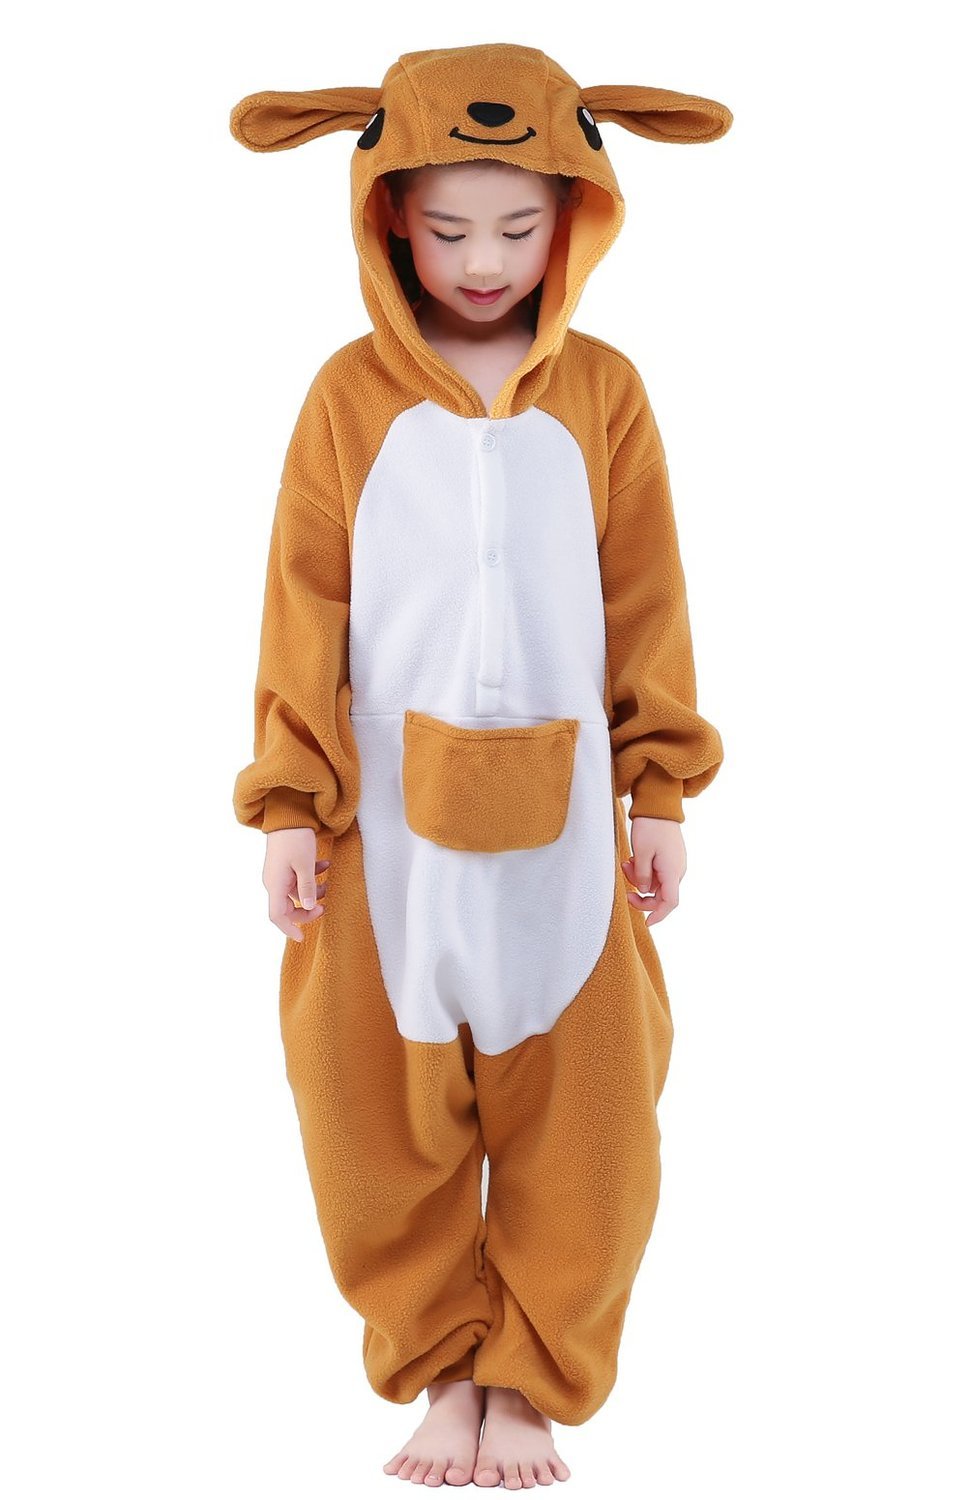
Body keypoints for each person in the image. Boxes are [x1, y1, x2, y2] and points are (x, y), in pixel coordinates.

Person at [229, 42, 731, 1489]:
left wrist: (659, 790)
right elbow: (303, 601)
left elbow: (648, 598)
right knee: (368, 1118)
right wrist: (288, 804)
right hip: (384, 835)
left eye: (519, 227)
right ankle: (444, 1370)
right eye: (449, 230)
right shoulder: (346, 398)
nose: (486, 263)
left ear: (577, 211)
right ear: (389, 213)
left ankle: (532, 1384)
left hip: (568, 832)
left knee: (593, 1123)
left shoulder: (607, 394)